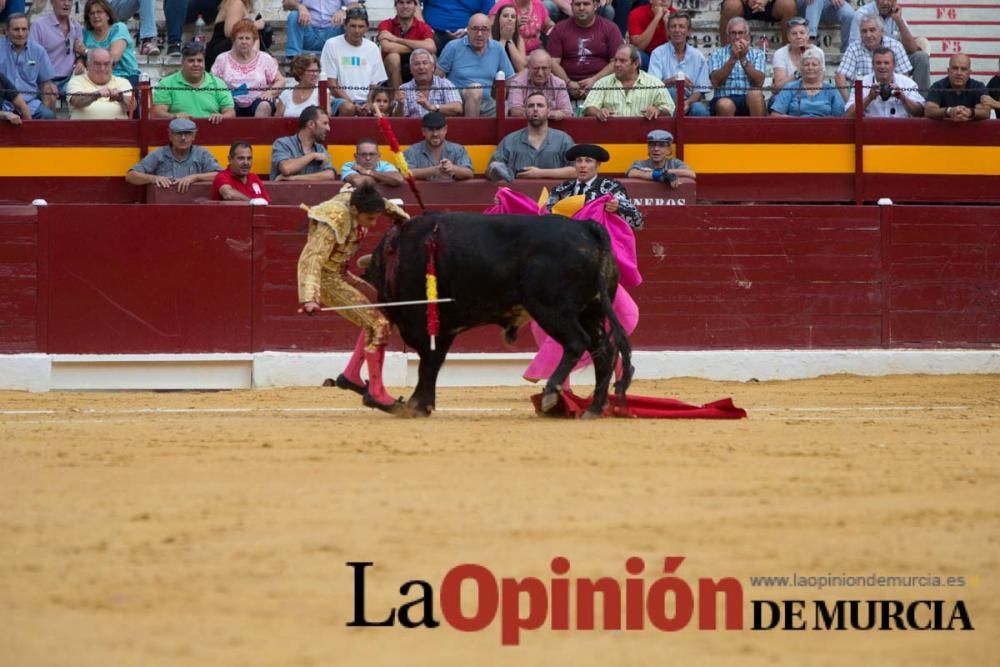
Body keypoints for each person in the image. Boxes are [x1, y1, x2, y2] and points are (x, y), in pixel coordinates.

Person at [296, 182, 411, 413]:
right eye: (370, 219)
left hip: (340, 272)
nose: (374, 223)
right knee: (377, 324)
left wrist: (406, 221)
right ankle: (377, 393)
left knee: (381, 312)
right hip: (326, 281)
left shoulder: (359, 199)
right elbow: (311, 259)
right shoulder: (333, 220)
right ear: (355, 211)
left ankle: (351, 375)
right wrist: (309, 297)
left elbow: (386, 206)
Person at [546, 143, 644, 230]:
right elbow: (547, 219)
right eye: (579, 161)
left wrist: (618, 207)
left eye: (588, 161)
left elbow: (638, 224)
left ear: (598, 165)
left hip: (598, 245)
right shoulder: (561, 189)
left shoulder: (611, 188)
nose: (582, 165)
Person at [487, 91, 576, 183]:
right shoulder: (510, 141)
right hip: (518, 195)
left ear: (548, 110)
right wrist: (496, 170)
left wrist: (541, 173)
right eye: (531, 106)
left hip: (555, 195)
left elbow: (576, 171)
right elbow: (493, 168)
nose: (535, 109)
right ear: (525, 111)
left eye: (540, 105)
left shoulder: (563, 140)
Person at [436, 13, 514, 117]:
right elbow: (437, 77)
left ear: (489, 31)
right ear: (467, 30)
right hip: (458, 100)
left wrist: (502, 100)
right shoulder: (453, 47)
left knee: (506, 108)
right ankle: (471, 132)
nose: (479, 34)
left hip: (486, 102)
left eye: (484, 29)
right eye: (475, 29)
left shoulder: (497, 48)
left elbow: (510, 79)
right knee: (475, 90)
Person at [546, 0, 622, 100]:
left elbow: (616, 62)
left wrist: (595, 80)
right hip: (565, 87)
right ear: (572, 6)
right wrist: (568, 83)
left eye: (586, 4)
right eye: (577, 4)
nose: (581, 8)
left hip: (602, 86)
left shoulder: (611, 28)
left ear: (595, 6)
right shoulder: (559, 29)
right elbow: (553, 63)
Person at [849, 0, 929, 93]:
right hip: (871, 59)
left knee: (921, 57)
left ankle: (921, 103)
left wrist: (899, 20)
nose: (885, 3)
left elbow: (912, 49)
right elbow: (856, 47)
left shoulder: (896, 13)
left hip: (895, 61)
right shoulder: (862, 14)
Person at [321, 6, 387, 117]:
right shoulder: (331, 44)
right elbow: (331, 84)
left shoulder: (372, 47)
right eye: (353, 26)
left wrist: (369, 103)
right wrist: (353, 104)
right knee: (348, 108)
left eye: (361, 26)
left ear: (367, 28)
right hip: (340, 100)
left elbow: (375, 84)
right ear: (345, 26)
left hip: (366, 101)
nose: (357, 30)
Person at [126, 117, 222, 191]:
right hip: (164, 206)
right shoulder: (159, 154)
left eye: (187, 133)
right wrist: (154, 178)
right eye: (178, 133)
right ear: (170, 135)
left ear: (194, 136)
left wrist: (195, 177)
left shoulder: (202, 154)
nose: (183, 138)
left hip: (195, 205)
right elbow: (131, 176)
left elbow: (220, 176)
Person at [211, 18, 283, 117]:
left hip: (258, 100)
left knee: (264, 105)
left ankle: (258, 132)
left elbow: (280, 80)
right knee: (227, 109)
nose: (244, 42)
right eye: (240, 38)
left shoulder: (264, 58)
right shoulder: (222, 59)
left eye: (247, 38)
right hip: (231, 101)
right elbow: (212, 83)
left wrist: (270, 92)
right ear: (234, 40)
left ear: (254, 41)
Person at [583, 44, 674, 121]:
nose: (617, 64)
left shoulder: (654, 83)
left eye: (622, 61)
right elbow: (588, 108)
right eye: (615, 60)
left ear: (635, 64)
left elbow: (669, 109)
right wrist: (598, 112)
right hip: (610, 138)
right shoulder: (602, 83)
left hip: (644, 138)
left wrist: (657, 110)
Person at [152, 41, 236, 123]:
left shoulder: (218, 83)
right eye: (191, 61)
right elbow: (158, 112)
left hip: (213, 130)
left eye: (199, 60)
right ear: (182, 62)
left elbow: (230, 112)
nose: (196, 64)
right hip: (180, 133)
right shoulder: (166, 83)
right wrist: (174, 116)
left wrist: (222, 117)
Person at [835, 15, 911, 103]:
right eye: (864, 31)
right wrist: (850, 103)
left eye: (872, 30)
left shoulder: (895, 46)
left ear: (882, 31)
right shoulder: (854, 48)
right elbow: (839, 76)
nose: (868, 35)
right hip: (863, 100)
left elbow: (905, 75)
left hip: (891, 99)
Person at [648, 13, 710, 117]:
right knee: (672, 92)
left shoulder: (698, 56)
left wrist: (687, 103)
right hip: (665, 102)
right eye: (673, 26)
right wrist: (673, 81)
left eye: (681, 26)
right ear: (668, 31)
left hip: (689, 102)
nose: (677, 30)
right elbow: (653, 86)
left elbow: (700, 90)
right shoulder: (657, 53)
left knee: (700, 109)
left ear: (688, 31)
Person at [0, 14, 57, 119]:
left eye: (24, 29)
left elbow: (45, 84)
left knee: (48, 116)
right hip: (3, 103)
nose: (21, 34)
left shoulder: (38, 51)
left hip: (31, 104)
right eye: (16, 29)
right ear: (7, 31)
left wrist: (47, 104)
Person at [708, 16, 766, 116]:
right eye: (733, 33)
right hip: (724, 97)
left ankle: (758, 131)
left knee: (756, 94)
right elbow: (715, 82)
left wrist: (743, 59)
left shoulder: (758, 54)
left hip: (748, 98)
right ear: (727, 36)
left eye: (740, 33)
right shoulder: (716, 54)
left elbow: (759, 82)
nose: (737, 37)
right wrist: (733, 59)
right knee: (725, 104)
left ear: (747, 36)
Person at [844, 47, 924, 118]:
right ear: (873, 65)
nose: (882, 66)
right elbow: (850, 114)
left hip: (901, 131)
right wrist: (869, 98)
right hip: (871, 131)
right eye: (878, 63)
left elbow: (920, 113)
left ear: (894, 65)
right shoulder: (862, 83)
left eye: (886, 63)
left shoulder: (907, 83)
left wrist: (903, 98)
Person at [28, 0, 87, 95]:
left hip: (70, 79)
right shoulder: (39, 26)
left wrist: (80, 62)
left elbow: (79, 54)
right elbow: (31, 59)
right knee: (49, 94)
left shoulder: (76, 26)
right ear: (52, 2)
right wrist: (45, 80)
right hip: (45, 80)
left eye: (70, 0)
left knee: (86, 93)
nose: (66, 3)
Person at [269, 105, 337, 182]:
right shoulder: (282, 143)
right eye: (325, 123)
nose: (328, 128)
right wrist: (312, 155)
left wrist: (294, 178)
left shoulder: (320, 148)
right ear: (311, 124)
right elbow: (286, 168)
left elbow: (330, 175)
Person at [769, 47, 844, 117]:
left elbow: (840, 117)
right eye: (806, 64)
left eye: (814, 65)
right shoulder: (790, 88)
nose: (810, 68)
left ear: (821, 68)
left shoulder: (831, 90)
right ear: (801, 68)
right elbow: (776, 114)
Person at [378, 0, 435, 92]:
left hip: (415, 63)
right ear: (395, 6)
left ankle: (427, 95)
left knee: (431, 57)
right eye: (401, 3)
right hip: (391, 67)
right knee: (393, 57)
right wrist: (418, 47)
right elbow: (386, 47)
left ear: (415, 6)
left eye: (408, 2)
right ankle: (398, 98)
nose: (405, 6)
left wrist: (396, 39)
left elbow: (432, 47)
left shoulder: (423, 26)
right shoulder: (386, 24)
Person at [82, 0, 140, 88]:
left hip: (125, 76)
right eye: (92, 13)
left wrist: (85, 51)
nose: (96, 16)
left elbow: (113, 58)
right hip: (97, 79)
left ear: (108, 16)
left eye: (99, 12)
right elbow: (79, 54)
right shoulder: (85, 33)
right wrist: (80, 62)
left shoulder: (119, 28)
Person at [403, 111, 474, 182]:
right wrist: (434, 170)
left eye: (438, 129)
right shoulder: (412, 151)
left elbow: (469, 173)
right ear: (423, 131)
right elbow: (404, 173)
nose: (435, 134)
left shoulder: (458, 149)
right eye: (431, 129)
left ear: (445, 129)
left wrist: (452, 168)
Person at [506, 48, 573, 119]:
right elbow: (515, 111)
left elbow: (568, 112)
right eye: (536, 68)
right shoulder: (517, 82)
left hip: (553, 127)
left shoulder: (559, 84)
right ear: (528, 68)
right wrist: (545, 113)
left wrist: (560, 114)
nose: (540, 73)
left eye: (544, 68)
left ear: (550, 69)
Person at [66, 47, 132, 119]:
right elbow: (76, 101)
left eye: (106, 64)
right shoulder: (76, 81)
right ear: (88, 65)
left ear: (111, 66)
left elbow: (132, 106)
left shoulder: (122, 82)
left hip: (118, 128)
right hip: (83, 129)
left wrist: (121, 98)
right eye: (97, 64)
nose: (102, 68)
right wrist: (96, 94)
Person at [396, 47, 462, 118]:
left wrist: (432, 107)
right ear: (411, 69)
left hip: (439, 127)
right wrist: (400, 106)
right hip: (413, 128)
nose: (421, 67)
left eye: (425, 63)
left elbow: (458, 108)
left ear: (433, 67)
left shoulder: (445, 84)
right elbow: (396, 120)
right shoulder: (404, 88)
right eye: (417, 64)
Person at [924, 54, 991, 123]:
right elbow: (928, 110)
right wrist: (949, 111)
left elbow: (985, 112)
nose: (959, 73)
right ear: (948, 71)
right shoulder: (938, 86)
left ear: (969, 72)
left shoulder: (978, 87)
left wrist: (970, 112)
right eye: (955, 68)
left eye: (963, 69)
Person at [626, 129, 695, 188]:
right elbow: (632, 173)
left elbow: (691, 173)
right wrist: (660, 175)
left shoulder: (674, 163)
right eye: (652, 145)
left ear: (669, 150)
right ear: (648, 148)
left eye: (661, 145)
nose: (656, 149)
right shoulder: (641, 163)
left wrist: (663, 172)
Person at [420, 0, 494, 55]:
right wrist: (423, 27)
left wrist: (467, 29)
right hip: (431, 32)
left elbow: (488, 15)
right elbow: (414, 3)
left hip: (468, 33)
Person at [283, 0, 352, 59]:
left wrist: (343, 11)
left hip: (333, 33)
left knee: (350, 17)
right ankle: (294, 57)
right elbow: (286, 3)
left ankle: (349, 54)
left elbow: (354, 5)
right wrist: (299, 6)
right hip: (309, 34)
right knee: (294, 15)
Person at [719, 0, 796, 46]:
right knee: (731, 5)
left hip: (771, 4)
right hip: (743, 4)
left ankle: (789, 52)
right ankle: (726, 53)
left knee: (789, 5)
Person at [488, 0, 552, 55]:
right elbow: (490, 31)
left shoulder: (538, 4)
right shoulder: (503, 5)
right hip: (510, 53)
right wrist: (514, 26)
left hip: (536, 53)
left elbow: (548, 26)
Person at [275, 53, 329, 118]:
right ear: (300, 73)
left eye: (317, 71)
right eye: (311, 71)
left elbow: (327, 115)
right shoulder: (286, 94)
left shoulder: (322, 91)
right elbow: (277, 120)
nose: (315, 74)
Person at [628, 0, 675, 69]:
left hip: (668, 57)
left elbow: (677, 48)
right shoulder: (636, 13)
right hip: (646, 56)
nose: (664, 0)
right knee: (633, 55)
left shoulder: (676, 15)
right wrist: (657, 18)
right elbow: (639, 47)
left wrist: (667, 24)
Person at [341, 138, 405, 188]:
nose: (368, 158)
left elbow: (398, 178)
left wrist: (368, 172)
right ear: (356, 156)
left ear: (378, 156)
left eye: (372, 154)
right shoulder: (349, 166)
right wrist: (385, 178)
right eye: (363, 154)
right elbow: (359, 182)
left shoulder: (385, 165)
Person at [771, 16, 808, 95]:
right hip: (786, 95)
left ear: (807, 36)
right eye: (794, 34)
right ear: (788, 37)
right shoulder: (780, 53)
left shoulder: (816, 52)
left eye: (802, 33)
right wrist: (798, 73)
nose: (798, 37)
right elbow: (778, 87)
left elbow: (820, 82)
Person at [491, 4, 527, 73]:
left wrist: (509, 39)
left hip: (513, 76)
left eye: (513, 17)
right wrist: (503, 39)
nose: (509, 19)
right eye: (505, 16)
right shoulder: (490, 35)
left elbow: (521, 68)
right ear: (498, 19)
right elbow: (493, 64)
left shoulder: (519, 38)